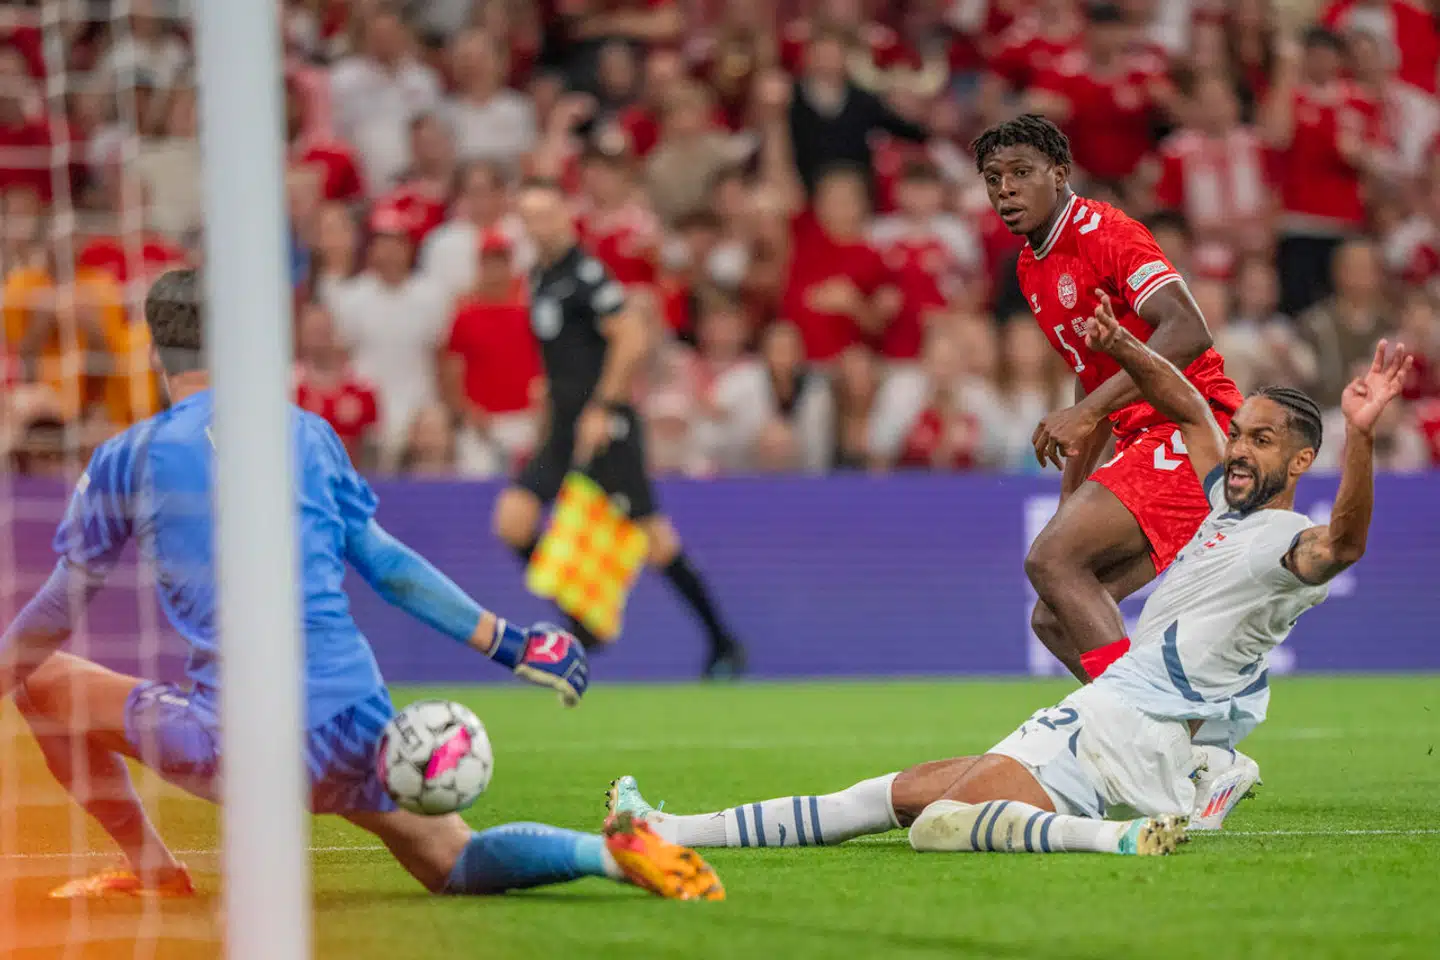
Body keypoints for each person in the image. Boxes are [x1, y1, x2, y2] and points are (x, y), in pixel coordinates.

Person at [0, 269, 723, 902]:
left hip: (239, 744)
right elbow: (389, 566)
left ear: (153, 351)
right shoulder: (308, 435)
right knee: (456, 860)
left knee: (44, 682)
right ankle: (605, 852)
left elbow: (61, 606)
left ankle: (153, 870)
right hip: (352, 723)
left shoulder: (128, 456)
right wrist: (511, 644)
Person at [606, 300, 1409, 855]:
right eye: (1243, 435)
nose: (1240, 450)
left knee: (925, 804)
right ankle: (672, 829)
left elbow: (1342, 542)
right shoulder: (1223, 508)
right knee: (915, 800)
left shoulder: (1284, 541)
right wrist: (1123, 350)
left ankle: (1127, 832)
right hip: (1110, 718)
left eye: (1263, 442)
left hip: (1127, 727)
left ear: (1303, 460)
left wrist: (1363, 440)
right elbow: (1191, 410)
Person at [974, 114, 1245, 685]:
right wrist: (1070, 499)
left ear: (1059, 172)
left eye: (1021, 173)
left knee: (1051, 560)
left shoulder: (1107, 232)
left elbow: (1189, 328)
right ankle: (1176, 746)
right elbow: (1088, 375)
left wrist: (1090, 410)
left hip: (1195, 431)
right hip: (1141, 442)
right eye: (993, 178)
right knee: (1053, 617)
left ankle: (1146, 738)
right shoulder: (1030, 265)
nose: (1005, 189)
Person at [491, 179, 746, 678]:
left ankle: (724, 643)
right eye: (527, 215)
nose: (536, 224)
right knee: (512, 521)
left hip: (605, 426)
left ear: (566, 214)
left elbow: (630, 337)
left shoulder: (586, 273)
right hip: (565, 427)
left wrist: (603, 407)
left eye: (545, 212)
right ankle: (584, 622)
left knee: (655, 542)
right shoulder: (541, 276)